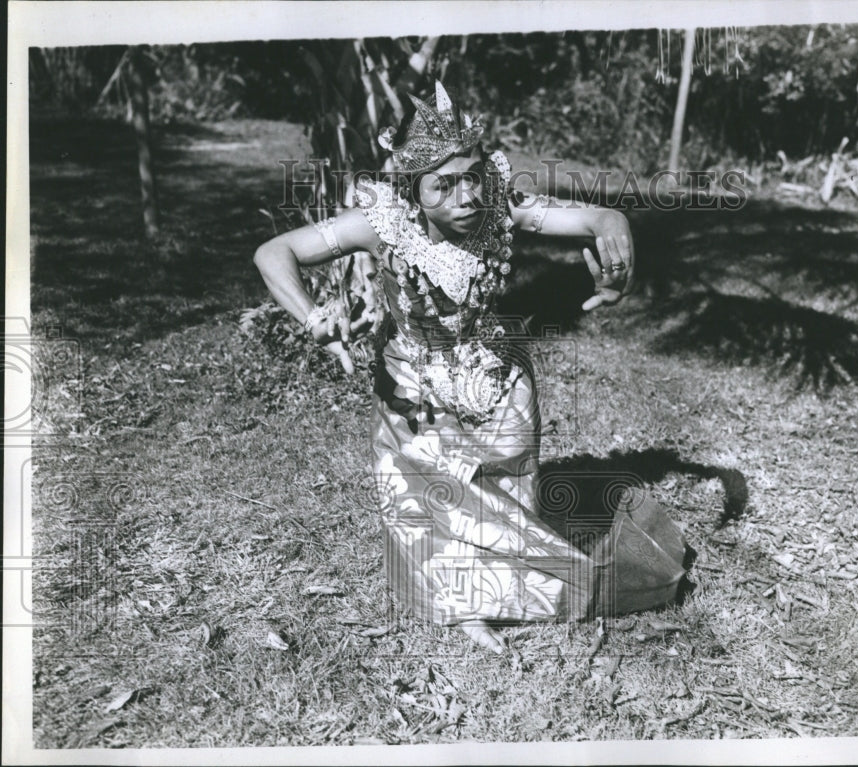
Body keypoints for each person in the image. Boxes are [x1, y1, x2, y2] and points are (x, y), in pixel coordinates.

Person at [254, 82, 692, 654]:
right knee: (433, 498)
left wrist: (615, 235)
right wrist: (312, 314)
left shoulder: (499, 207)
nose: (466, 197)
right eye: (445, 184)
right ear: (413, 192)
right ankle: (461, 605)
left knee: (504, 497)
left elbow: (594, 218)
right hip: (414, 385)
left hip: (497, 375)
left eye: (473, 176)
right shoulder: (380, 224)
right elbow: (273, 253)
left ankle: (504, 585)